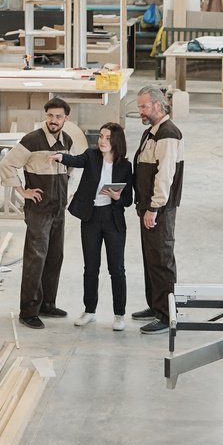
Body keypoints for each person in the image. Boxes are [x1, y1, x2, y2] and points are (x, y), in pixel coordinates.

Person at [0, 97, 85, 329]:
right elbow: (7, 164)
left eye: (58, 116)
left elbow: (72, 164)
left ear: (66, 118)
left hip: (58, 209)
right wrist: (22, 191)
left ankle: (48, 303)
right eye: (50, 116)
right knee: (36, 258)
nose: (53, 121)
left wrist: (66, 183)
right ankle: (28, 311)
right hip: (39, 210)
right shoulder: (32, 140)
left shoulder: (66, 139)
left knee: (55, 256)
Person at [54, 123, 134, 330]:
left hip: (113, 219)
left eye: (107, 137)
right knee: (90, 267)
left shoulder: (125, 166)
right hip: (91, 217)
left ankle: (119, 315)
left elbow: (128, 200)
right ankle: (89, 311)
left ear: (116, 141)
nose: (102, 141)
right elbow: (76, 160)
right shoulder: (91, 156)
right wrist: (60, 157)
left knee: (117, 268)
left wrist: (117, 196)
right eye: (100, 136)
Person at [130, 85, 185, 334]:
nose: (140, 111)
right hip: (147, 207)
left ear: (157, 105)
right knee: (150, 258)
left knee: (161, 260)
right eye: (139, 106)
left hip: (159, 209)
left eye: (143, 106)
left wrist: (153, 207)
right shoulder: (151, 131)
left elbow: (165, 175)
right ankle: (155, 305)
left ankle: (166, 315)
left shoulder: (168, 134)